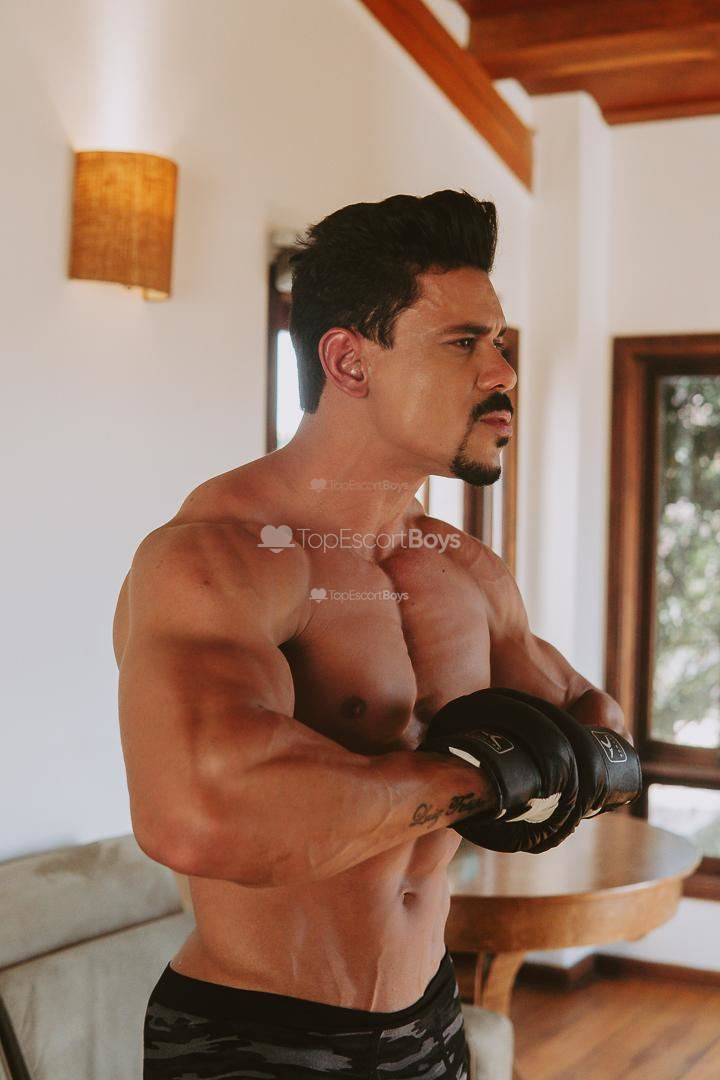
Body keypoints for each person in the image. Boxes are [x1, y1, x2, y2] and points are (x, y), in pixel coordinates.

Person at [113, 190, 637, 1079]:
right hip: (258, 1039)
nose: (503, 373)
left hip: (429, 1013)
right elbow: (200, 817)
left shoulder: (462, 569)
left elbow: (605, 746)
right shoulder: (219, 558)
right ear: (350, 362)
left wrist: (511, 768)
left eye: (499, 342)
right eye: (464, 342)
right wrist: (490, 776)